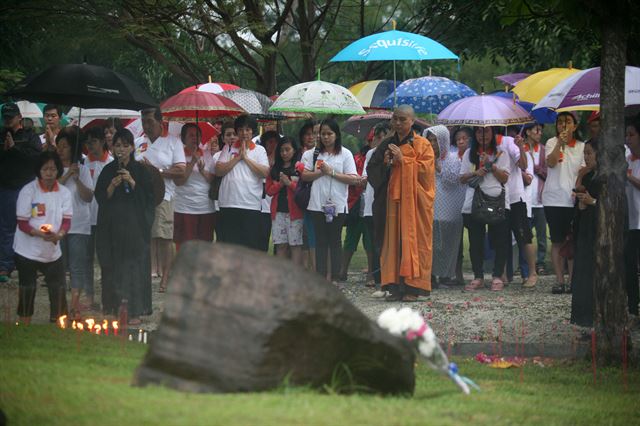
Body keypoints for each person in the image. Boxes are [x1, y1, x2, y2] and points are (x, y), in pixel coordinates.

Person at [367, 105, 436, 301]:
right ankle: (395, 287)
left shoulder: (422, 144)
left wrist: (403, 160)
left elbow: (427, 173)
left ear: (412, 121)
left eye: (402, 119)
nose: (397, 123)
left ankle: (412, 288)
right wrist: (387, 163)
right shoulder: (386, 144)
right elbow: (374, 170)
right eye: (395, 119)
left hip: (413, 206)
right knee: (393, 243)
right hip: (391, 205)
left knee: (411, 241)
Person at [95, 129, 155, 325]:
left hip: (135, 227)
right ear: (112, 148)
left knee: (134, 269)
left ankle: (135, 310)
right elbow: (101, 199)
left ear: (132, 147)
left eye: (125, 145)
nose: (121, 149)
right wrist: (112, 185)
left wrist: (132, 181)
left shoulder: (141, 170)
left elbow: (149, 199)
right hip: (113, 227)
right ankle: (113, 308)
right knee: (112, 267)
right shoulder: (107, 170)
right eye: (117, 145)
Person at [14, 151, 71, 324]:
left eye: (53, 169)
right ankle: (25, 324)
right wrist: (41, 234)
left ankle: (58, 324)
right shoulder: (28, 191)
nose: (49, 172)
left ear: (58, 171)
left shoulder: (64, 193)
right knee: (28, 287)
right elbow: (22, 223)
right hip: (27, 250)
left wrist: (59, 235)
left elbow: (67, 221)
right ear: (39, 170)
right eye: (45, 169)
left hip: (52, 251)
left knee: (58, 288)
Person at [301, 118, 358, 281]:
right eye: (323, 134)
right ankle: (320, 277)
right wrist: (321, 173)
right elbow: (304, 176)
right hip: (317, 204)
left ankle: (334, 277)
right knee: (320, 241)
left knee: (334, 240)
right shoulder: (312, 154)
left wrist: (332, 172)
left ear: (336, 135)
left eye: (329, 133)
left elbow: (353, 179)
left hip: (338, 205)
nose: (326, 137)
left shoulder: (345, 153)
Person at [136, 107, 186, 292]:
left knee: (164, 237)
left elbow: (181, 169)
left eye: (150, 121)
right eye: (144, 122)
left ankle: (166, 276)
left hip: (163, 195)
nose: (146, 126)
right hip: (140, 197)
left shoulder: (173, 142)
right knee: (146, 236)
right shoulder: (139, 142)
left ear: (160, 121)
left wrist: (156, 172)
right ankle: (148, 272)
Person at [459, 127, 511, 291]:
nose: (483, 135)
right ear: (475, 134)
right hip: (475, 202)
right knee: (476, 241)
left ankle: (497, 275)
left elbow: (505, 178)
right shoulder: (469, 153)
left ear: (493, 134)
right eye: (479, 132)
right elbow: (462, 178)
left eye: (487, 132)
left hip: (498, 202)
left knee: (500, 240)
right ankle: (478, 276)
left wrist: (492, 166)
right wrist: (476, 172)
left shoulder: (501, 152)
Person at [542, 112, 585, 294]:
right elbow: (551, 163)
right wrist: (560, 142)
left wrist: (578, 187)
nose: (564, 126)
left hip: (573, 198)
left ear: (575, 126)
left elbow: (583, 170)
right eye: (560, 122)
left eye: (567, 122)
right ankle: (560, 280)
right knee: (558, 240)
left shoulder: (582, 147)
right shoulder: (551, 143)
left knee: (573, 241)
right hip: (553, 199)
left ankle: (573, 280)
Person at [0, 102, 42, 283]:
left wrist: (14, 148)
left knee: (31, 224)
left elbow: (35, 158)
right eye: (5, 117)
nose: (8, 120)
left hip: (28, 188)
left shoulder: (30, 136)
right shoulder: (1, 136)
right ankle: (5, 265)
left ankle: (32, 262)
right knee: (7, 228)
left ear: (20, 118)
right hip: (6, 187)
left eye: (11, 116)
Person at [215, 115, 269, 250]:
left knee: (249, 246)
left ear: (253, 131)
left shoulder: (259, 150)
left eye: (248, 130)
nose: (244, 133)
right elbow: (219, 170)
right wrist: (238, 157)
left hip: (250, 205)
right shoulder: (228, 148)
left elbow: (264, 172)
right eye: (240, 130)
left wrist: (246, 159)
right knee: (229, 245)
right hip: (228, 203)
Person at [56, 127, 94, 319]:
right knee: (60, 266)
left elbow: (88, 197)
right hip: (58, 225)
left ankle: (74, 305)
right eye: (58, 146)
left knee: (77, 266)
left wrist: (77, 179)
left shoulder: (84, 169)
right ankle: (60, 305)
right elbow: (51, 191)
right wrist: (66, 175)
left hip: (79, 224)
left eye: (65, 146)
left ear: (73, 148)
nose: (61, 149)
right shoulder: (52, 170)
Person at [425, 125, 466, 286]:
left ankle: (447, 274)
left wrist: (438, 167)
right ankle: (431, 275)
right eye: (429, 140)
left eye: (435, 140)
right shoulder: (424, 157)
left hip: (450, 210)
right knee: (432, 244)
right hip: (430, 208)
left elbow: (455, 180)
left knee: (449, 244)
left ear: (443, 141)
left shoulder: (453, 158)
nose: (432, 143)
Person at [569, 138, 600, 326]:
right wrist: (582, 203)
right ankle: (582, 319)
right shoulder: (589, 176)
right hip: (585, 230)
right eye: (585, 154)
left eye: (590, 153)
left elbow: (611, 207)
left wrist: (593, 202)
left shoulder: (606, 177)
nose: (586, 157)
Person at [84, 127, 113, 310]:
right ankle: (88, 297)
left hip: (104, 219)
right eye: (87, 142)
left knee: (105, 259)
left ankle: (107, 298)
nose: (90, 146)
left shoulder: (110, 164)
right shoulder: (84, 163)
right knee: (86, 260)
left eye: (93, 141)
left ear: (102, 142)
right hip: (86, 219)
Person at [173, 123, 216, 250]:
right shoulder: (178, 155)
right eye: (191, 135)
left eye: (197, 135)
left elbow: (212, 180)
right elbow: (179, 181)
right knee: (184, 247)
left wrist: (202, 170)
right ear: (183, 138)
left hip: (206, 207)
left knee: (204, 246)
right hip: (184, 207)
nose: (194, 138)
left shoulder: (207, 154)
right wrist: (192, 162)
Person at [339, 135, 372, 282]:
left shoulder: (380, 157)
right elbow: (352, 177)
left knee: (369, 239)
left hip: (371, 203)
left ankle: (371, 272)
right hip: (355, 202)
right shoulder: (356, 158)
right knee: (351, 237)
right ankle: (343, 270)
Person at [362, 122, 391, 289]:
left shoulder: (393, 153)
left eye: (383, 137)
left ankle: (387, 274)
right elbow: (369, 175)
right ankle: (375, 274)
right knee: (373, 243)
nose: (380, 141)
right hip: (371, 204)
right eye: (377, 138)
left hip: (387, 204)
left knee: (387, 242)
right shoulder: (371, 154)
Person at [266, 136, 304, 264]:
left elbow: (302, 190)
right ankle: (282, 276)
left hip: (295, 213)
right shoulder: (274, 169)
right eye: (282, 150)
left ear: (294, 150)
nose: (284, 153)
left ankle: (295, 276)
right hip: (278, 213)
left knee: (295, 245)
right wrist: (280, 184)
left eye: (287, 150)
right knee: (280, 244)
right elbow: (269, 191)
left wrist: (289, 183)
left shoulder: (300, 168)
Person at [520, 123, 547, 275]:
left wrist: (535, 169)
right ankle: (524, 264)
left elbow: (548, 171)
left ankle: (541, 262)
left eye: (541, 130)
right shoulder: (520, 149)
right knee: (525, 235)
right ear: (528, 132)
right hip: (525, 199)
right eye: (537, 130)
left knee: (542, 235)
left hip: (540, 199)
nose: (539, 133)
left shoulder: (543, 150)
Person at [625, 118, 640, 318]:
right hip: (630, 220)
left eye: (631, 134)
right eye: (626, 135)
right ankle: (632, 308)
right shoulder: (627, 159)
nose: (627, 139)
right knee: (629, 265)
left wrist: (627, 176)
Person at [298, 120, 319, 270]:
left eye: (314, 134)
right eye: (307, 134)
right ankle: (308, 267)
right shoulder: (302, 153)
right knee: (305, 234)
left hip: (320, 198)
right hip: (304, 197)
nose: (311, 137)